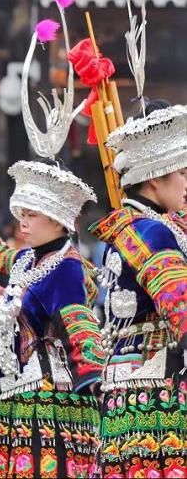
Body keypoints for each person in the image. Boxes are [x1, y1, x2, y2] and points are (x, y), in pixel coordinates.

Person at [0, 170, 103, 478]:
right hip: (13, 393)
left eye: (32, 215)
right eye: (21, 214)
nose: (23, 223)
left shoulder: (66, 267)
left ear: (58, 220)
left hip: (49, 401)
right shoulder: (25, 261)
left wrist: (96, 380)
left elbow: (79, 326)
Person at [88, 103, 187, 476]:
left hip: (132, 395)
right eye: (183, 173)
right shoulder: (148, 232)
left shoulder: (134, 226)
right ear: (156, 178)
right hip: (157, 401)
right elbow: (180, 302)